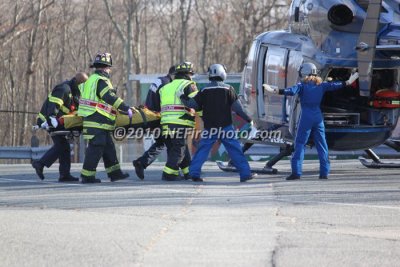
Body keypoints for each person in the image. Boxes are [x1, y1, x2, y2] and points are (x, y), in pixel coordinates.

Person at [263, 62, 359, 180]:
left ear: (304, 72)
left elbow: (290, 91)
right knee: (322, 145)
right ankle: (324, 173)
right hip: (318, 117)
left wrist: (275, 90)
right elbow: (337, 84)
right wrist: (350, 81)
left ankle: (296, 173)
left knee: (300, 144)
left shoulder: (302, 85)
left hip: (306, 117)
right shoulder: (322, 85)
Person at [182, 63, 256, 182]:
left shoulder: (204, 90)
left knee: (203, 150)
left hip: (210, 128)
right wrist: (248, 119)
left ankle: (194, 173)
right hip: (226, 127)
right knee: (235, 150)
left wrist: (182, 97)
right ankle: (245, 174)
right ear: (222, 73)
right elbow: (238, 109)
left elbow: (193, 105)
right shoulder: (228, 89)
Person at [78, 52, 133, 183]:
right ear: (105, 68)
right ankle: (87, 176)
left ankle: (115, 173)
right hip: (97, 120)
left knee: (109, 148)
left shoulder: (91, 80)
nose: (109, 70)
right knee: (96, 148)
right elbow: (109, 97)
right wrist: (125, 107)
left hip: (96, 119)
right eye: (109, 68)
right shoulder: (101, 81)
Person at [32, 72, 88, 182]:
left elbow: (73, 109)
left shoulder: (74, 93)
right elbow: (54, 105)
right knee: (62, 146)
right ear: (77, 82)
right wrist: (51, 118)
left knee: (64, 146)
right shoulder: (64, 88)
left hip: (59, 122)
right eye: (83, 84)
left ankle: (64, 174)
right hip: (50, 121)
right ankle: (40, 163)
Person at [132, 65, 175, 180]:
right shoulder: (168, 84)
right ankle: (172, 171)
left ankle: (141, 162)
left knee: (161, 142)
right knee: (172, 143)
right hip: (158, 117)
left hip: (150, 116)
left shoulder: (160, 79)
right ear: (173, 75)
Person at [158, 61, 198, 181]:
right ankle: (168, 173)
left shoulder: (165, 87)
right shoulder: (189, 85)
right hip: (180, 122)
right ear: (188, 74)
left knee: (180, 147)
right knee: (179, 148)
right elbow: (196, 103)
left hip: (165, 123)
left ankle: (188, 172)